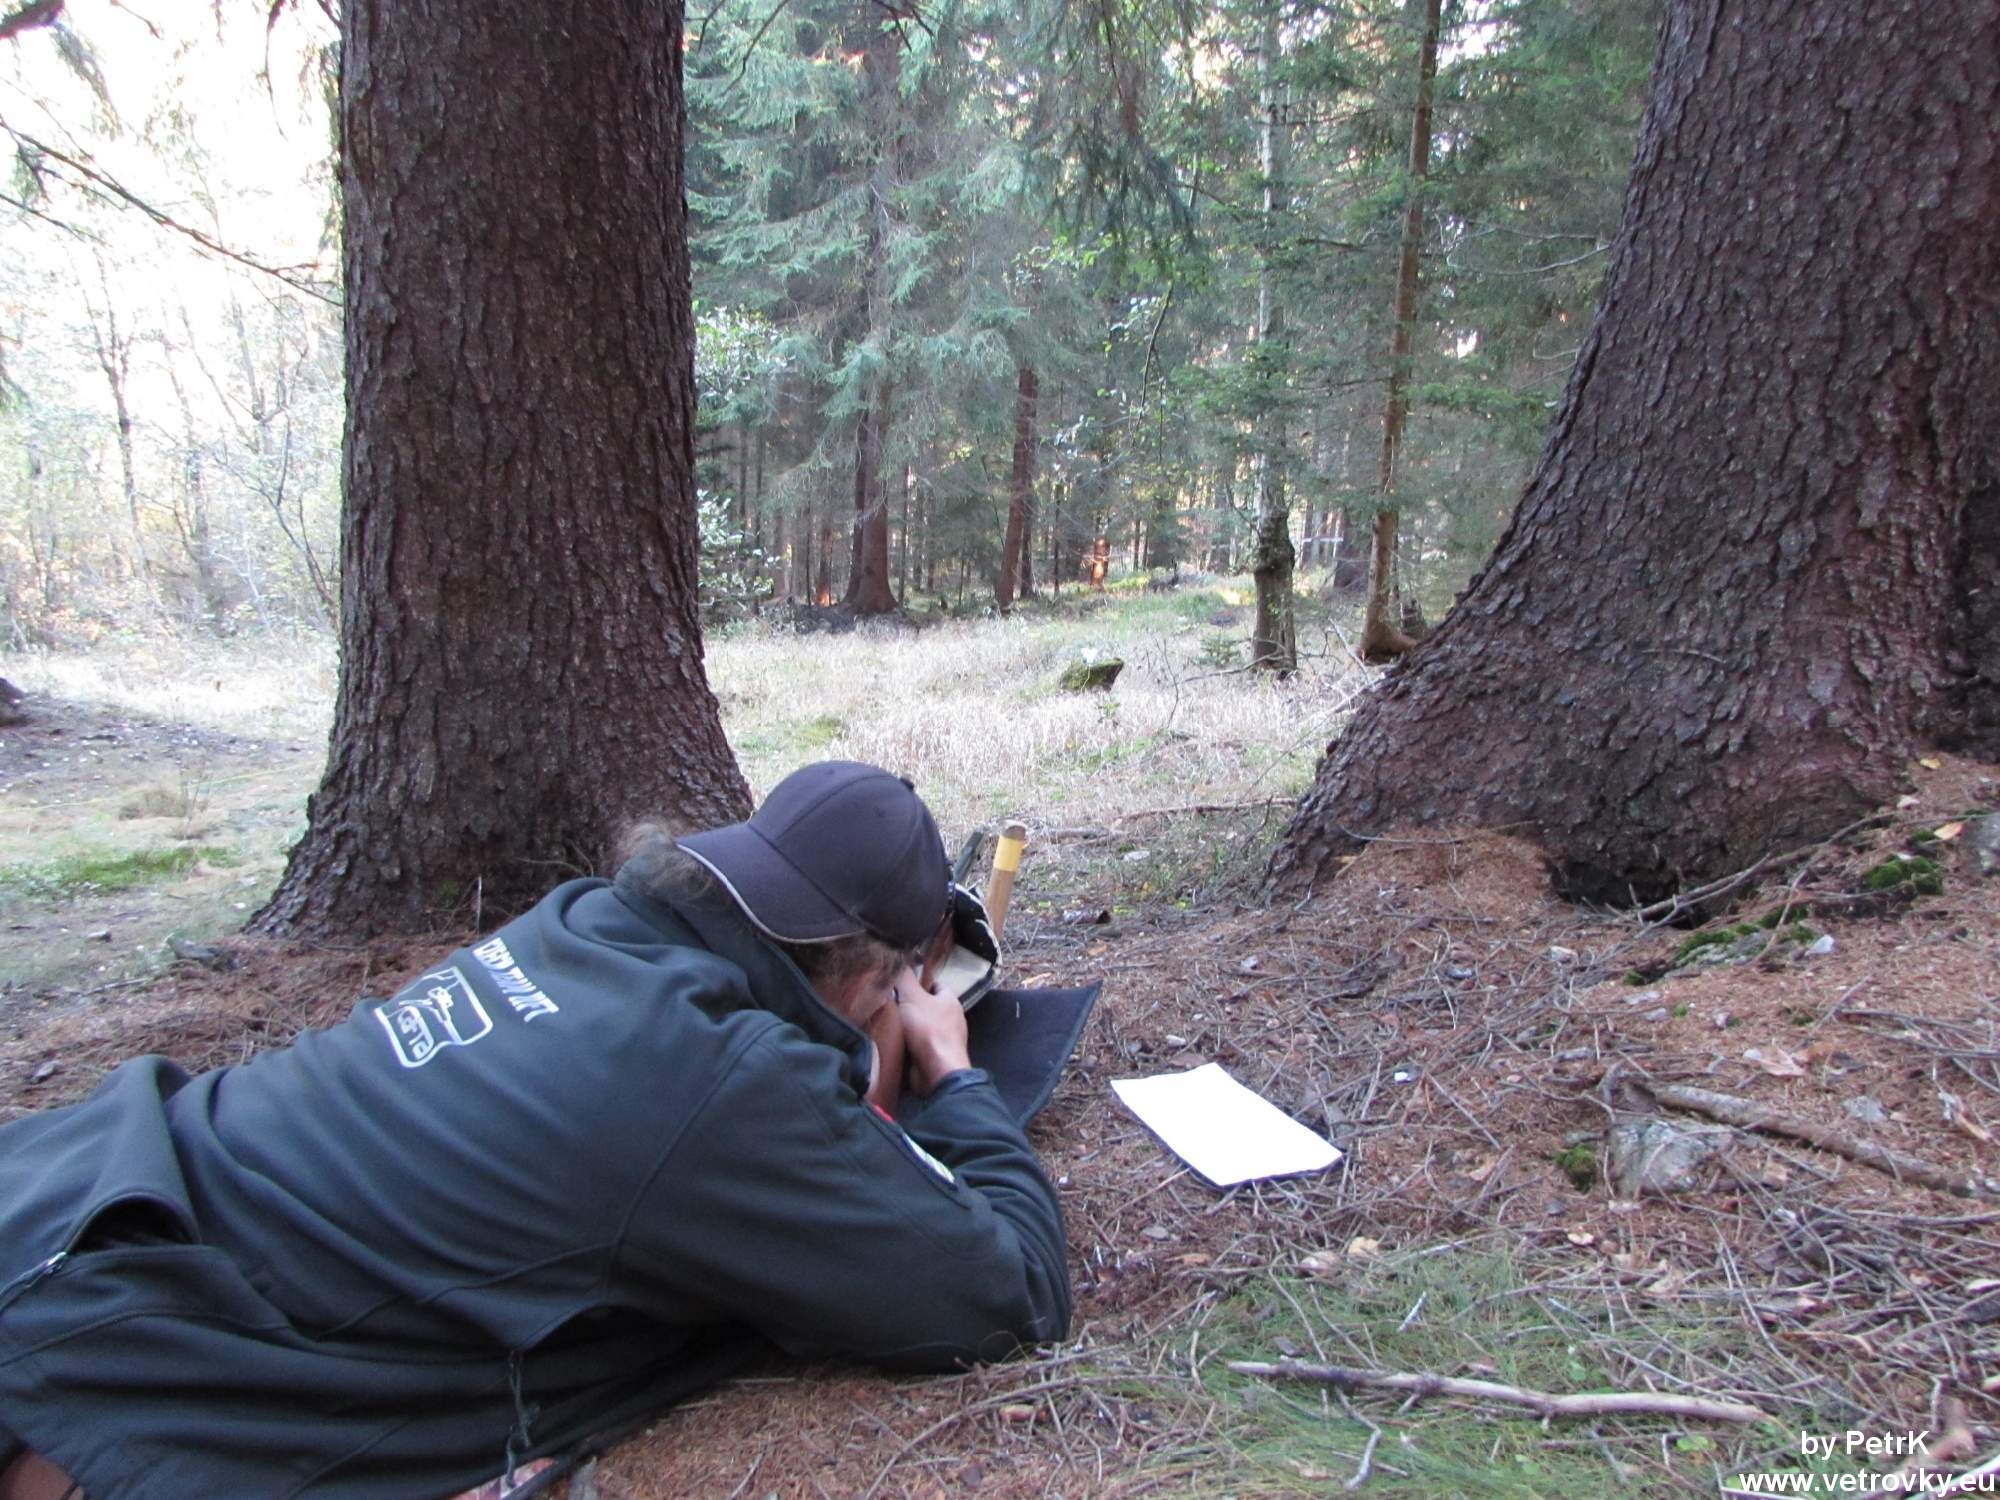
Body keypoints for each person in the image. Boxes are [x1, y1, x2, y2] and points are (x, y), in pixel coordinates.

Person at [0, 761, 1071, 1500]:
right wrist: (952, 1072)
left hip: (76, 1188)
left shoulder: (585, 919)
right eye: (893, 984)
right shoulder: (726, 1080)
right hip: (135, 1348)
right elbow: (1007, 1294)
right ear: (869, 973)